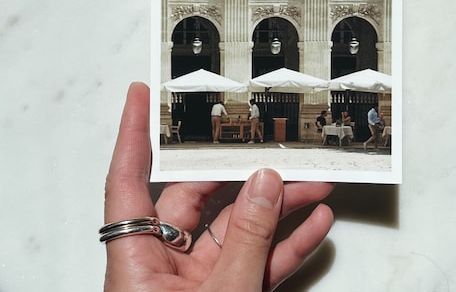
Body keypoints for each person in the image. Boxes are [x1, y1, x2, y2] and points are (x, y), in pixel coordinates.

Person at [103, 82, 335, 291]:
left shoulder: (222, 108)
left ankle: (218, 139)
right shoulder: (234, 108)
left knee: (225, 128)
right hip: (246, 122)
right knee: (247, 129)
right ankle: (235, 138)